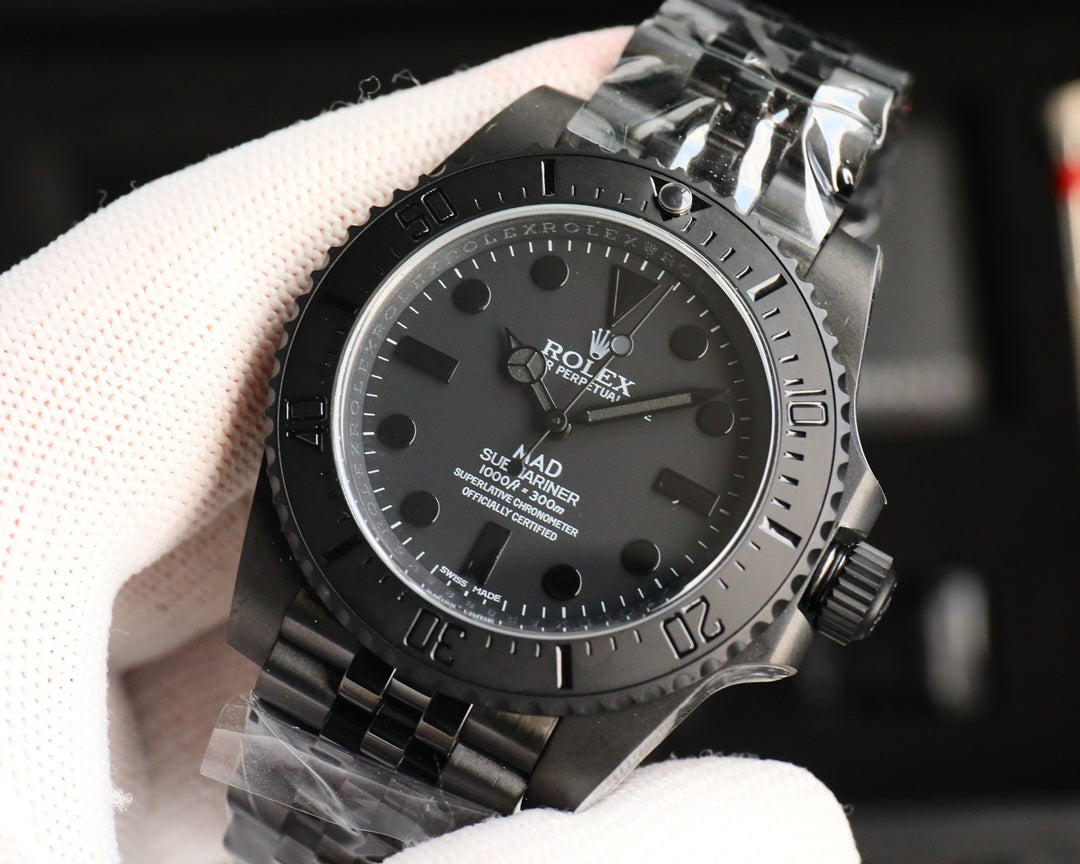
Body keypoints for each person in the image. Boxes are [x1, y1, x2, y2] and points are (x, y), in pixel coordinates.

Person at [0, 25, 861, 864]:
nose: (557, 430)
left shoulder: (822, 294)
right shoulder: (550, 151)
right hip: (354, 607)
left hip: (455, 674)